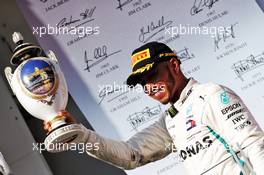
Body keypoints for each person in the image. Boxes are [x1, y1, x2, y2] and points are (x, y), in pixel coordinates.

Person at [44, 42, 264, 175]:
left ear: (174, 66)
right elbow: (131, 155)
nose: (148, 87)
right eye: (142, 83)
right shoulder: (170, 121)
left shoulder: (212, 95)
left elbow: (255, 145)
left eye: (152, 76)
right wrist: (80, 135)